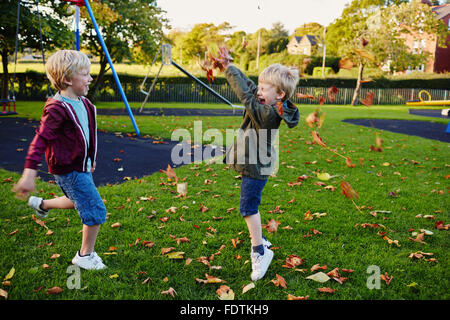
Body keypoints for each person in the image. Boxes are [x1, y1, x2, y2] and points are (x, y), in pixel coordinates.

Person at [12, 50, 107, 270]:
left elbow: (85, 132)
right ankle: (85, 255)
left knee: (78, 200)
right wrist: (29, 173)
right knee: (94, 208)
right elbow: (41, 139)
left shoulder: (83, 102)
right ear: (67, 79)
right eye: (85, 74)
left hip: (80, 166)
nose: (90, 78)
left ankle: (42, 204)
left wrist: (89, 158)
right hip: (68, 169)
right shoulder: (57, 108)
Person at [221, 57, 300, 281]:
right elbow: (250, 88)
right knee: (249, 205)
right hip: (254, 163)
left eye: (265, 87)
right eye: (261, 85)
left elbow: (245, 95)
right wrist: (231, 66)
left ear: (280, 94)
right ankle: (261, 241)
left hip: (257, 167)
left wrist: (228, 70)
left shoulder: (267, 113)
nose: (259, 90)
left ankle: (260, 251)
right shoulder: (267, 102)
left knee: (248, 207)